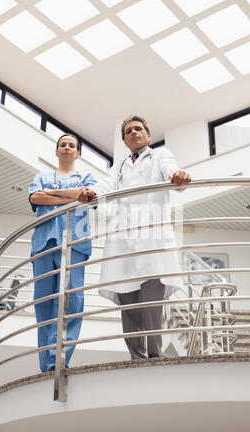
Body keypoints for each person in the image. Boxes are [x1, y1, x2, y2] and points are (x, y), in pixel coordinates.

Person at [77, 116, 191, 360]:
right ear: (124, 139)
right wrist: (92, 191)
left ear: (148, 135)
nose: (134, 133)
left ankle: (155, 354)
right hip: (123, 238)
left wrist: (178, 177)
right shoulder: (119, 166)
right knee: (127, 299)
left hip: (151, 235)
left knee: (152, 296)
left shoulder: (160, 155)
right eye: (128, 131)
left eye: (138, 129)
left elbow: (172, 172)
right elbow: (105, 185)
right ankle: (136, 358)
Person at [29, 133, 96, 372]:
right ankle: (46, 365)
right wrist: (72, 195)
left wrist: (53, 196)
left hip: (75, 244)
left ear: (77, 153)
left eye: (72, 146)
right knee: (44, 304)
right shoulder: (42, 176)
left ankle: (60, 360)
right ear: (56, 151)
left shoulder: (87, 177)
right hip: (44, 244)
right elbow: (36, 197)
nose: (67, 148)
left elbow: (89, 196)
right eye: (63, 145)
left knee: (72, 302)